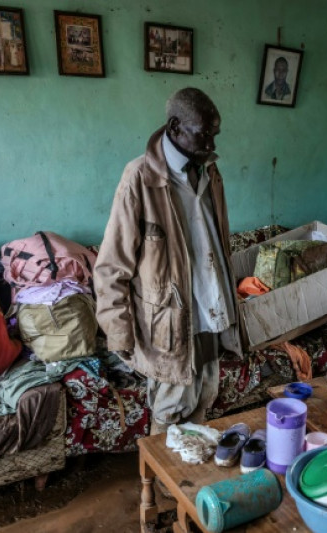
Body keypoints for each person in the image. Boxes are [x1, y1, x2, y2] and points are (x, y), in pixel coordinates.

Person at [95, 88, 242, 435]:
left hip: (211, 314)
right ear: (175, 127)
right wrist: (120, 334)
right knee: (170, 412)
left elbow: (216, 243)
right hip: (169, 323)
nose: (211, 143)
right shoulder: (139, 178)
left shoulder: (210, 172)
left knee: (203, 402)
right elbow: (111, 267)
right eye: (203, 134)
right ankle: (159, 470)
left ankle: (187, 469)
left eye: (215, 134)